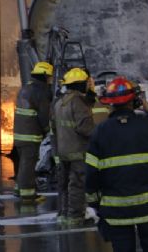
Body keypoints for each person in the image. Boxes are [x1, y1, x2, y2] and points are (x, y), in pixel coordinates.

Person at [85, 76, 148, 252]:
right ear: (135, 102)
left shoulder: (100, 132)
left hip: (116, 210)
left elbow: (91, 173)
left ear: (110, 104)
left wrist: (95, 204)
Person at [52, 68, 96, 225]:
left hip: (63, 151)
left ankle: (64, 214)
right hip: (78, 152)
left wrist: (91, 95)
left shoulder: (60, 102)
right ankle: (76, 216)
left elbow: (54, 128)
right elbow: (85, 128)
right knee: (77, 184)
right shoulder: (78, 102)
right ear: (80, 84)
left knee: (63, 185)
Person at [13, 61, 53, 203]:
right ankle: (28, 195)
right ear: (44, 76)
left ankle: (19, 188)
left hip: (19, 133)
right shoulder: (40, 91)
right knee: (28, 164)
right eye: (49, 77)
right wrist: (48, 130)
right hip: (30, 135)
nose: (50, 80)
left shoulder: (26, 88)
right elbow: (44, 114)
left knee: (24, 162)